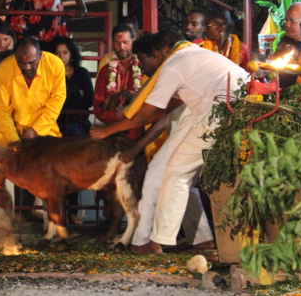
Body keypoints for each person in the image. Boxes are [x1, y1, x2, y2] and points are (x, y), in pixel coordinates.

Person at [90, 30, 249, 254]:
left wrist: (106, 131)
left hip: (221, 110)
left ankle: (159, 240)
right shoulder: (187, 55)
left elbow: (145, 116)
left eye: (143, 61)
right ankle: (146, 240)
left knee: (177, 172)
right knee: (158, 169)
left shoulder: (174, 64)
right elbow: (161, 113)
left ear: (157, 54)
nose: (141, 68)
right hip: (204, 110)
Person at [0, 36, 66, 229]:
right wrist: (17, 143)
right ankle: (4, 227)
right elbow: (1, 111)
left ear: (40, 56)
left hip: (45, 132)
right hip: (10, 133)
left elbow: (57, 101)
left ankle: (52, 227)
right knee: (3, 173)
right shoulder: (4, 70)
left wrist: (36, 130)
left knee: (49, 177)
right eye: (21, 62)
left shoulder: (55, 65)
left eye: (31, 62)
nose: (26, 67)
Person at [52, 35, 93, 225]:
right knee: (54, 170)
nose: (61, 56)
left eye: (65, 53)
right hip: (54, 124)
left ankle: (73, 211)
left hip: (76, 124)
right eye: (57, 53)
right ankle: (55, 212)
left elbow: (89, 100)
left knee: (74, 169)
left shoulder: (81, 73)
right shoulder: (50, 72)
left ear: (72, 54)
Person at [93, 24, 144, 140]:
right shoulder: (105, 71)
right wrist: (116, 115)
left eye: (126, 42)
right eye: (117, 43)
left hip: (139, 132)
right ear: (112, 44)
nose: (122, 47)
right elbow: (97, 108)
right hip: (111, 134)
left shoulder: (144, 67)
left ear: (133, 41)